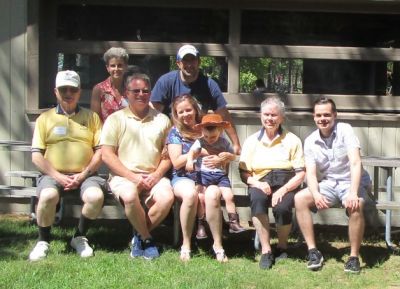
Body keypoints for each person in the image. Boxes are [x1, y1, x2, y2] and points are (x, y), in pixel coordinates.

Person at [29, 70, 107, 261]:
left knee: (95, 196)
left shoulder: (92, 118)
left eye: (72, 89)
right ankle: (43, 240)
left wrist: (83, 174)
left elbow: (100, 152)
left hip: (86, 175)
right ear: (56, 91)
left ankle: (79, 237)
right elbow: (36, 156)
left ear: (79, 92)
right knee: (48, 195)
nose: (68, 93)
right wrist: (57, 176)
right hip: (53, 175)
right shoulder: (44, 119)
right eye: (63, 89)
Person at [100, 71, 174, 260]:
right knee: (130, 195)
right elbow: (107, 155)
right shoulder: (115, 119)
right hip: (123, 176)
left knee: (167, 198)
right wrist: (132, 177)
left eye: (145, 91)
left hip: (153, 175)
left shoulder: (163, 120)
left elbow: (168, 156)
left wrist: (156, 175)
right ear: (126, 93)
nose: (141, 94)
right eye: (136, 91)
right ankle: (147, 239)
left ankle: (139, 236)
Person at [294, 97, 370, 274]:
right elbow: (311, 174)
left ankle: (353, 257)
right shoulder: (310, 140)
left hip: (350, 182)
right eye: (319, 115)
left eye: (327, 115)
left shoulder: (345, 130)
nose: (323, 119)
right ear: (313, 117)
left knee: (356, 203)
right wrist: (316, 194)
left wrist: (352, 192)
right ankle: (313, 251)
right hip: (328, 183)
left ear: (335, 115)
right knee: (300, 199)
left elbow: (355, 163)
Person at [239, 96, 305, 270]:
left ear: (281, 117)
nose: (270, 118)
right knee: (257, 200)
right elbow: (244, 172)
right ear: (261, 116)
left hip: (286, 181)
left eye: (274, 115)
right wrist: (257, 184)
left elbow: (300, 173)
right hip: (261, 181)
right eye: (266, 114)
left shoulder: (292, 140)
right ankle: (266, 250)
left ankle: (282, 246)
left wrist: (283, 190)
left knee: (282, 208)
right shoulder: (252, 141)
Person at [166, 95, 228, 262]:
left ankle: (218, 245)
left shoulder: (207, 126)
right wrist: (197, 151)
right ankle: (186, 243)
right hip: (183, 177)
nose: (185, 114)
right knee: (190, 194)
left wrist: (222, 159)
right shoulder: (175, 133)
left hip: (211, 176)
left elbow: (223, 153)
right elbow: (177, 162)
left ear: (195, 109)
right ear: (176, 114)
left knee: (213, 195)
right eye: (181, 112)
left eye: (188, 110)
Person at [151, 44, 241, 154]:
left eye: (192, 60)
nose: (189, 64)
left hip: (200, 139)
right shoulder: (166, 82)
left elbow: (224, 115)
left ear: (199, 62)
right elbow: (154, 115)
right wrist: (161, 142)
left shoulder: (209, 85)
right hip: (172, 139)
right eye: (185, 61)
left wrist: (236, 144)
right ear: (178, 64)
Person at [185, 113, 245, 234]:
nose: (209, 140)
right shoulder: (200, 141)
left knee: (229, 196)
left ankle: (233, 222)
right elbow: (192, 152)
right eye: (206, 136)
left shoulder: (224, 143)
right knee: (201, 197)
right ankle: (201, 224)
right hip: (204, 175)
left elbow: (234, 156)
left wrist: (229, 156)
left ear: (220, 131)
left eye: (212, 137)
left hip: (220, 175)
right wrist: (189, 161)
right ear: (202, 132)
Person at [91, 47, 129, 122]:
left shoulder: (131, 89)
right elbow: (95, 120)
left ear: (125, 67)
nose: (116, 69)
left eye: (120, 65)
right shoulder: (99, 89)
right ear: (107, 68)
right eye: (113, 65)